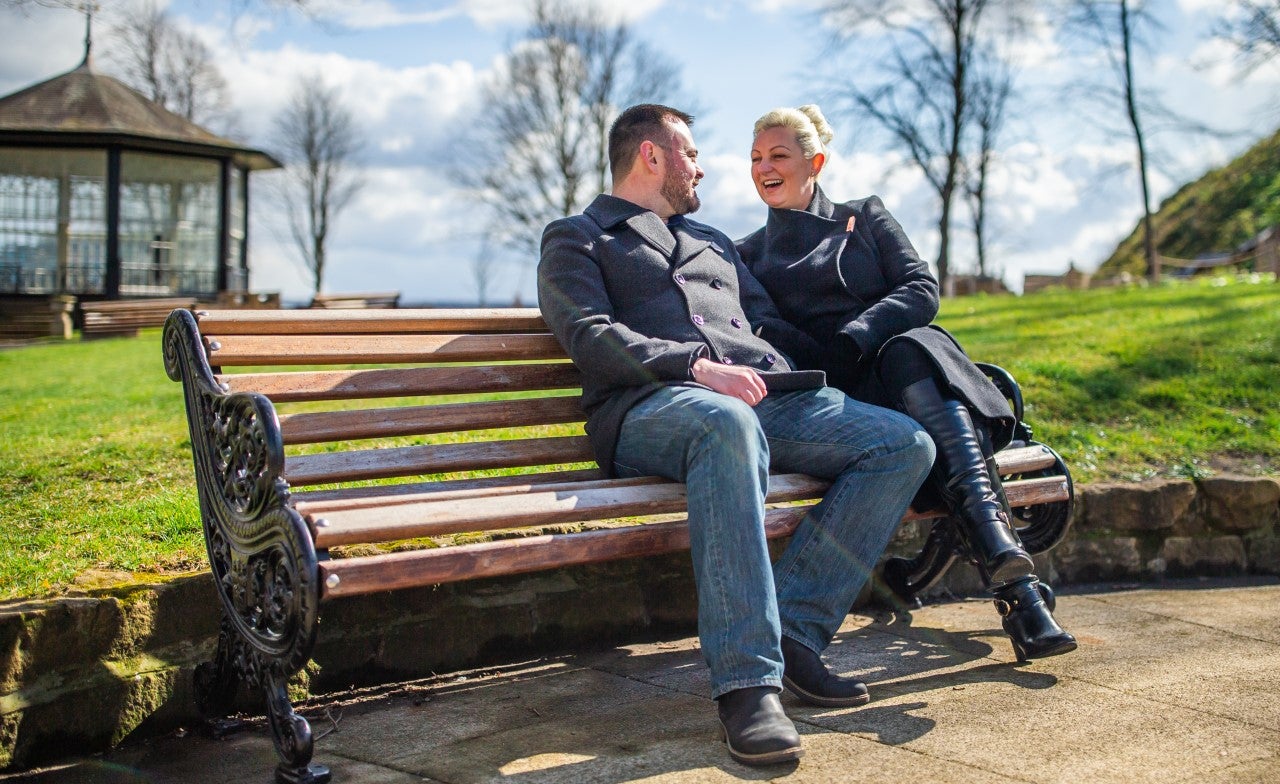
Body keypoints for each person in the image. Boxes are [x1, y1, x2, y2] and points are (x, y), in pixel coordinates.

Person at [538, 104, 935, 766]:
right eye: (690, 153)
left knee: (901, 445)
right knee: (727, 426)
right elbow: (589, 336)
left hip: (761, 402)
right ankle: (748, 686)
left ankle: (796, 634)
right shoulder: (578, 238)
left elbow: (771, 322)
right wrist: (694, 366)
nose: (703, 166)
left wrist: (836, 356)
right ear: (652, 157)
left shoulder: (714, 242)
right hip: (654, 406)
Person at [735, 104, 1077, 662]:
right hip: (844, 399)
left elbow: (920, 288)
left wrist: (861, 333)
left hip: (907, 376)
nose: (764, 167)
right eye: (755, 158)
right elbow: (767, 331)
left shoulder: (864, 216)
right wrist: (837, 358)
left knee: (910, 347)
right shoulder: (746, 252)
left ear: (815, 161)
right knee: (916, 362)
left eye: (779, 155)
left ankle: (1013, 582)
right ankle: (1016, 584)